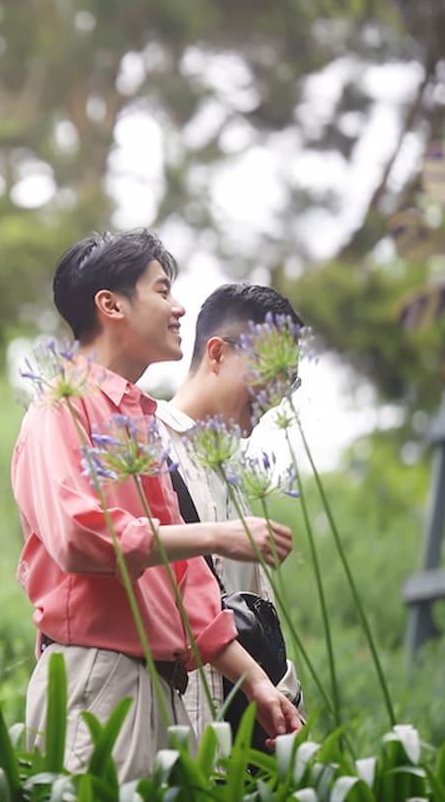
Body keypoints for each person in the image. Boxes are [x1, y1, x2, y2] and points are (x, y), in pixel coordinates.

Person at [12, 230, 302, 781]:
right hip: (101, 676)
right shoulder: (62, 408)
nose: (179, 307)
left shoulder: (137, 427)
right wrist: (219, 536)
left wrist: (256, 681)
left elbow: (184, 587)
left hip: (160, 685)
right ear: (111, 304)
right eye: (162, 290)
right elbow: (81, 538)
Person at [156, 283, 307, 740]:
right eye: (270, 370)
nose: (277, 393)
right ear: (217, 354)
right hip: (176, 729)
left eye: (290, 379)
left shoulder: (232, 474)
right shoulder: (148, 448)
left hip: (237, 743)